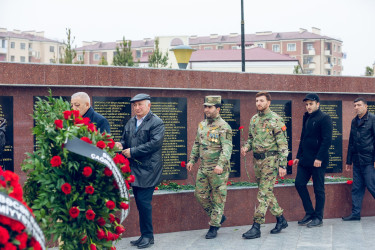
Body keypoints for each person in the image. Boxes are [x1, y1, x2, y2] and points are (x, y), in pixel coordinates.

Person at [116, 93, 164, 249]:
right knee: (140, 203)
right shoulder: (131, 122)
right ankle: (144, 235)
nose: (137, 108)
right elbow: (125, 139)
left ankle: (148, 236)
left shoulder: (156, 122)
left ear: (148, 105)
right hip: (134, 169)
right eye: (134, 105)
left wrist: (133, 151)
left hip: (148, 169)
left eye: (140, 104)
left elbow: (155, 144)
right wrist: (120, 145)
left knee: (144, 204)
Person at [241, 91, 288, 239]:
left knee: (262, 193)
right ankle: (281, 218)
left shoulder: (276, 120)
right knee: (266, 192)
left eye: (261, 101)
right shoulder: (254, 119)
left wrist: (283, 165)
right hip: (257, 161)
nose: (258, 103)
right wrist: (246, 147)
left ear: (269, 102)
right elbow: (250, 138)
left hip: (270, 161)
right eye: (256, 101)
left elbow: (283, 144)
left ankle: (256, 226)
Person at [187, 95, 233, 239]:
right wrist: (192, 160)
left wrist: (220, 165)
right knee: (199, 195)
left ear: (218, 109)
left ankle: (214, 226)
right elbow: (196, 143)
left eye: (210, 107)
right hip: (204, 167)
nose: (206, 109)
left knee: (219, 198)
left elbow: (227, 148)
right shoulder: (202, 125)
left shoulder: (224, 127)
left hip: (218, 170)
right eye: (205, 106)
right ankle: (218, 216)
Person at [293, 93, 332, 228]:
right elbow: (303, 137)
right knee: (299, 183)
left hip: (317, 161)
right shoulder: (306, 117)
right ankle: (309, 212)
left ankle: (318, 217)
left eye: (311, 104)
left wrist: (319, 158)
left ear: (317, 104)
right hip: (305, 160)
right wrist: (298, 155)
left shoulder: (325, 118)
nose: (308, 106)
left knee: (318, 189)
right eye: (307, 104)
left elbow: (327, 140)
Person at [343, 97, 375, 221]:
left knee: (372, 186)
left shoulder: (372, 119)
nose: (356, 107)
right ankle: (355, 214)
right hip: (356, 160)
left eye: (359, 105)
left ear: (366, 106)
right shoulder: (354, 121)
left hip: (368, 160)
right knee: (357, 187)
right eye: (355, 105)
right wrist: (348, 161)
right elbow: (351, 141)